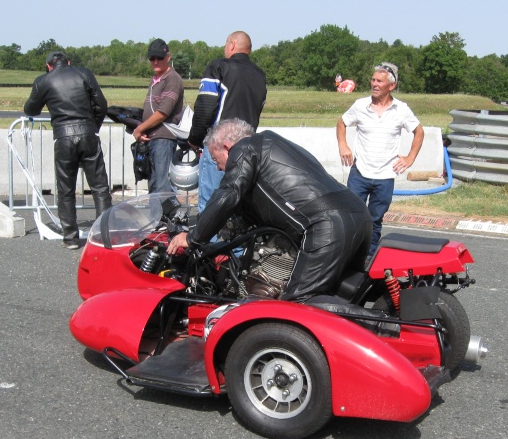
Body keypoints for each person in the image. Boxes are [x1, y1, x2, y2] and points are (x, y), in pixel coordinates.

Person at [166, 119, 372, 301]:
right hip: (358, 215)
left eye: (215, 158)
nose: (219, 168)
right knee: (344, 294)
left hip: (326, 225)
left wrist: (193, 237)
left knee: (300, 306)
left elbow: (228, 194)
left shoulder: (244, 148)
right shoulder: (274, 143)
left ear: (227, 147)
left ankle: (375, 329)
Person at [23, 51, 112, 249]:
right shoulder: (84, 73)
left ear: (48, 66)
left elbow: (31, 109)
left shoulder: (43, 81)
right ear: (69, 62)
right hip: (88, 132)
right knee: (99, 187)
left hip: (63, 136)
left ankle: (70, 237)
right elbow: (101, 104)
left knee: (66, 190)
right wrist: (92, 126)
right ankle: (103, 235)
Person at [337, 62, 424, 255]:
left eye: (379, 81)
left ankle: (368, 261)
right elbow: (342, 123)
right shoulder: (360, 105)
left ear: (391, 86)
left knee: (375, 221)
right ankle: (347, 256)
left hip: (385, 176)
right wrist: (343, 145)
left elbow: (419, 132)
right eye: (373, 80)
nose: (374, 84)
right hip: (360, 173)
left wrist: (410, 158)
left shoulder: (401, 109)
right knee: (351, 218)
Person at [187, 31, 267, 213]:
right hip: (248, 149)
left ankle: (208, 241)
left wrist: (195, 138)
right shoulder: (260, 76)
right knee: (238, 206)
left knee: (210, 203)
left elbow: (205, 107)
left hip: (220, 147)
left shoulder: (218, 67)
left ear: (231, 45)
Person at [131, 39, 184, 194]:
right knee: (154, 184)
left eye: (159, 58)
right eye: (152, 58)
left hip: (164, 138)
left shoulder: (172, 79)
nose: (155, 61)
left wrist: (140, 128)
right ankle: (157, 216)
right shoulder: (156, 79)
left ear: (168, 57)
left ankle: (168, 216)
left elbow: (163, 112)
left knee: (161, 185)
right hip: (151, 137)